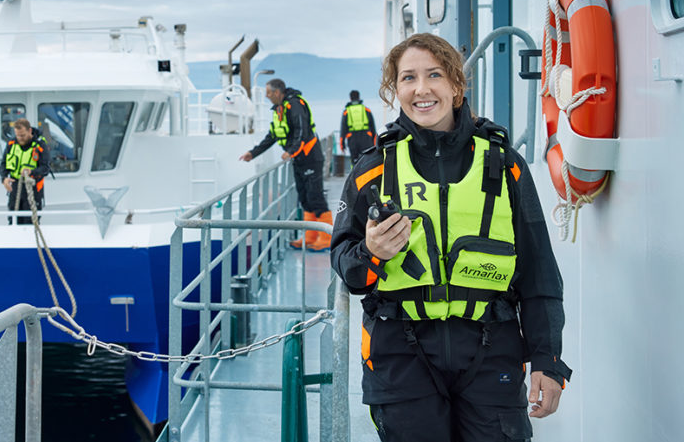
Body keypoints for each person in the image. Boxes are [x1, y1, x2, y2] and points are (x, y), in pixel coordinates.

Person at [330, 33, 570, 441]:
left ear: (456, 86)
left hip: (491, 349)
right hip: (399, 355)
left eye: (434, 75)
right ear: (396, 90)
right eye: (407, 78)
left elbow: (538, 271)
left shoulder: (504, 166)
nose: (421, 89)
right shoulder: (373, 169)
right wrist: (371, 252)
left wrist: (547, 359)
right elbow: (347, 266)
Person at [240, 78, 331, 251]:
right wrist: (253, 153)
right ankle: (311, 237)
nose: (267, 96)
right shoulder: (279, 110)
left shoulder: (294, 105)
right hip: (299, 160)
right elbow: (273, 136)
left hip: (310, 157)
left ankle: (326, 238)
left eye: (268, 93)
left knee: (315, 197)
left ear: (276, 92)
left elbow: (302, 131)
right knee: (304, 198)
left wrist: (291, 151)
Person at [2, 118, 51, 225]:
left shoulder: (40, 145)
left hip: (33, 191)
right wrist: (4, 178)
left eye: (23, 135)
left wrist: (31, 172)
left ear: (29, 131)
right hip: (15, 190)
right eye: (17, 135)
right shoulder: (11, 145)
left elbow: (45, 169)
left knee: (30, 222)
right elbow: (4, 164)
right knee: (13, 220)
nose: (20, 138)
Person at [341, 89, 377, 173]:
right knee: (368, 158)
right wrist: (374, 140)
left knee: (354, 160)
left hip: (352, 138)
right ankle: (368, 174)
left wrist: (342, 143)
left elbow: (343, 128)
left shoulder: (346, 111)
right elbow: (372, 126)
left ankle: (354, 175)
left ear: (350, 98)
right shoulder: (366, 109)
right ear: (359, 97)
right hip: (366, 137)